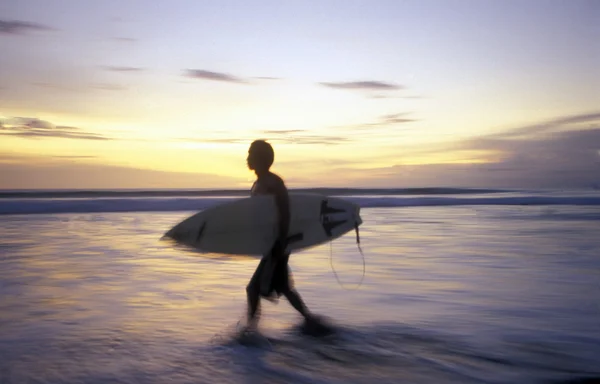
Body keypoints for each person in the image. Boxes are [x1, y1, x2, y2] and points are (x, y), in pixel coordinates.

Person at [244, 139, 318, 332]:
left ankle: (250, 332)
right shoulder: (259, 183)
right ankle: (311, 321)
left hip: (278, 245)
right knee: (283, 286)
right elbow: (260, 216)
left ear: (260, 158)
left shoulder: (273, 182)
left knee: (253, 288)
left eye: (251, 154)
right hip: (272, 244)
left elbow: (285, 213)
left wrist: (280, 244)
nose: (247, 158)